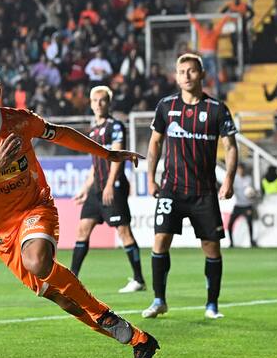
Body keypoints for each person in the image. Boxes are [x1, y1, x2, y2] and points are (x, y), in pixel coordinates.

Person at [0, 62, 159, 358]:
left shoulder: (20, 122)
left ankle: (103, 311)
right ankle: (139, 341)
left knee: (38, 260)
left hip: (35, 208)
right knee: (66, 301)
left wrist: (107, 154)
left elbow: (61, 134)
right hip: (0, 236)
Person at [144, 53, 238, 320]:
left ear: (202, 74)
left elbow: (231, 147)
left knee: (211, 247)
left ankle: (211, 304)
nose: (186, 76)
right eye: (181, 71)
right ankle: (159, 299)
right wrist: (151, 178)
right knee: (160, 240)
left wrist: (229, 179)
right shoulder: (165, 106)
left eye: (191, 71)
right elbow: (155, 144)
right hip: (171, 188)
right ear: (176, 76)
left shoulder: (217, 109)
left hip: (204, 191)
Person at [71, 86, 146, 292]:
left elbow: (117, 158)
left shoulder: (116, 127)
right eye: (95, 100)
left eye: (102, 100)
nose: (98, 104)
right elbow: (95, 167)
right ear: (90, 103)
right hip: (96, 191)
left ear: (108, 103)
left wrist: (110, 185)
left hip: (113, 188)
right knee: (82, 230)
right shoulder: (93, 131)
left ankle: (139, 280)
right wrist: (85, 188)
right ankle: (72, 278)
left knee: (124, 232)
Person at [228, 164, 258, 248]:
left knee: (249, 224)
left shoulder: (248, 179)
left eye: (241, 169)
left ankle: (252, 242)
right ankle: (231, 243)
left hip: (247, 206)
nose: (240, 171)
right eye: (238, 170)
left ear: (243, 170)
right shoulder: (234, 179)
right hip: (238, 205)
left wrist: (253, 193)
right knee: (230, 224)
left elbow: (253, 191)